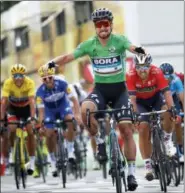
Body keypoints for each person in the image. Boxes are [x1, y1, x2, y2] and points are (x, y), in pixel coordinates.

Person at [44, 8, 148, 190]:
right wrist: (52, 63)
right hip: (100, 90)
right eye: (99, 25)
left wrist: (139, 50)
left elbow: (131, 47)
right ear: (95, 27)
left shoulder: (119, 40)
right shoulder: (89, 44)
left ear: (111, 25)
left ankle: (131, 174)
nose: (102, 27)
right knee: (85, 110)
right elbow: (69, 57)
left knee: (126, 130)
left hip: (120, 91)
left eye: (105, 24)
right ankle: (99, 141)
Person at [126, 54, 178, 181]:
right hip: (140, 102)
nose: (142, 70)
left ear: (150, 67)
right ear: (135, 67)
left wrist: (172, 108)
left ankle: (167, 139)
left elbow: (166, 92)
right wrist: (135, 115)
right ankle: (148, 165)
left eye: (145, 67)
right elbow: (132, 99)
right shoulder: (130, 75)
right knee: (143, 128)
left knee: (167, 111)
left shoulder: (157, 72)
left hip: (156, 99)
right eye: (139, 67)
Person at [36, 65, 81, 177]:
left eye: (50, 78)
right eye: (44, 79)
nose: (47, 81)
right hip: (49, 111)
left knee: (71, 120)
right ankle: (52, 160)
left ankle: (70, 151)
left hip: (63, 107)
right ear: (42, 80)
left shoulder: (62, 83)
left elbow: (74, 100)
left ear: (54, 77)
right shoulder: (40, 91)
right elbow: (41, 112)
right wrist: (41, 125)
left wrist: (77, 114)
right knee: (49, 133)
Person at [1, 64, 36, 175]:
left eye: (21, 75)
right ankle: (12, 150)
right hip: (13, 108)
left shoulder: (30, 82)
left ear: (24, 76)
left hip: (26, 108)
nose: (18, 78)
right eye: (15, 76)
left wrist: (33, 117)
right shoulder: (7, 83)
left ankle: (32, 161)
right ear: (12, 77)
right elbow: (4, 102)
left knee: (30, 130)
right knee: (12, 128)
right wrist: (2, 118)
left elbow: (32, 102)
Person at [160, 63, 184, 162]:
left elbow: (182, 99)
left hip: (173, 98)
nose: (167, 80)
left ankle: (180, 148)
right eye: (164, 78)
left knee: (177, 121)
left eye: (168, 78)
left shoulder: (176, 80)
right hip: (160, 98)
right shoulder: (156, 80)